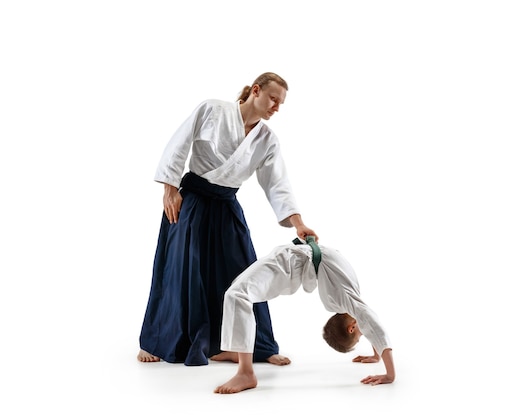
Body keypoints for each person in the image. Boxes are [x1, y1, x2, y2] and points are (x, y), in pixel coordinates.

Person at [137, 72, 318, 366]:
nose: (277, 107)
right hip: (192, 200)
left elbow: (277, 183)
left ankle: (254, 346)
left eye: (281, 103)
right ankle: (158, 341)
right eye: (274, 99)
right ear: (256, 91)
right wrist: (170, 190)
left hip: (226, 204)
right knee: (182, 269)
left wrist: (298, 223)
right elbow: (179, 143)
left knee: (244, 272)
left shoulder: (267, 139)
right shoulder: (213, 109)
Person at [213, 237, 395, 394]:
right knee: (238, 293)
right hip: (291, 262)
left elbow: (367, 323)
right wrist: (390, 374)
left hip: (292, 259)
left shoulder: (349, 297)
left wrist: (376, 354)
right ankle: (244, 370)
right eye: (359, 336)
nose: (363, 334)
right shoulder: (345, 298)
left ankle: (243, 365)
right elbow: (371, 324)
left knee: (237, 293)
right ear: (351, 327)